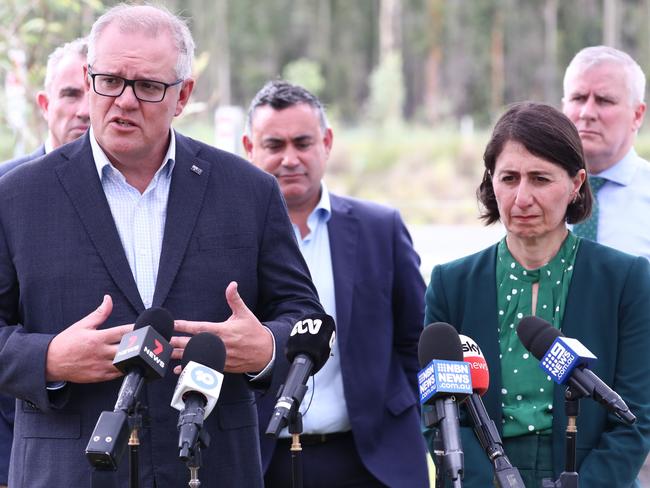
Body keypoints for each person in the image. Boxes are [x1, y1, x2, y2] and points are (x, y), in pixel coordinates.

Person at [0, 5, 323, 487]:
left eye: (148, 87)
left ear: (183, 95)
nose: (124, 101)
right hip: (70, 471)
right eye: (109, 80)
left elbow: (305, 317)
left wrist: (266, 348)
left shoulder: (247, 190)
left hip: (212, 468)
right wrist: (48, 358)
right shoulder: (18, 196)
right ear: (89, 81)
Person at [423, 102, 650, 487]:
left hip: (587, 474)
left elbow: (636, 416)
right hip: (482, 475)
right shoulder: (451, 283)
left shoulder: (626, 279)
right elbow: (437, 415)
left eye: (540, 179)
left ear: (576, 183)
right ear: (491, 181)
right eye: (509, 178)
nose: (522, 197)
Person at [243, 80, 429, 488]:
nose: (290, 158)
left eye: (303, 143)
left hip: (372, 462)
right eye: (274, 145)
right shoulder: (229, 237)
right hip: (264, 460)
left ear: (326, 142)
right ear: (249, 148)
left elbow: (416, 342)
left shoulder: (381, 229)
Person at [0, 36, 89, 488]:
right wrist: (50, 359)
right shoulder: (6, 190)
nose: (86, 109)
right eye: (71, 94)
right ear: (43, 102)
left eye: (97, 91)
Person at [562, 46, 650, 259]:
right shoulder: (531, 191)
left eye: (604, 100)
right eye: (578, 98)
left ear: (637, 115)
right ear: (564, 107)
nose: (587, 112)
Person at [0, 37, 89, 177]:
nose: (85, 111)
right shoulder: (6, 182)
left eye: (95, 97)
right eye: (71, 95)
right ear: (45, 105)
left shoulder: (128, 183)